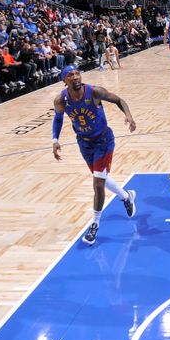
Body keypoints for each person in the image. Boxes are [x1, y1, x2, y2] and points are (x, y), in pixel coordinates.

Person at [52, 65, 137, 245]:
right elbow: (58, 119)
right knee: (102, 179)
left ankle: (95, 225)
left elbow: (119, 100)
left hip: (103, 141)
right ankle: (126, 196)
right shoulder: (61, 100)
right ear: (64, 80)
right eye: (70, 75)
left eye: (77, 73)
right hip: (84, 142)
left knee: (98, 184)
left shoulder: (94, 92)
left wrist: (129, 115)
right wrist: (55, 140)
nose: (75, 77)